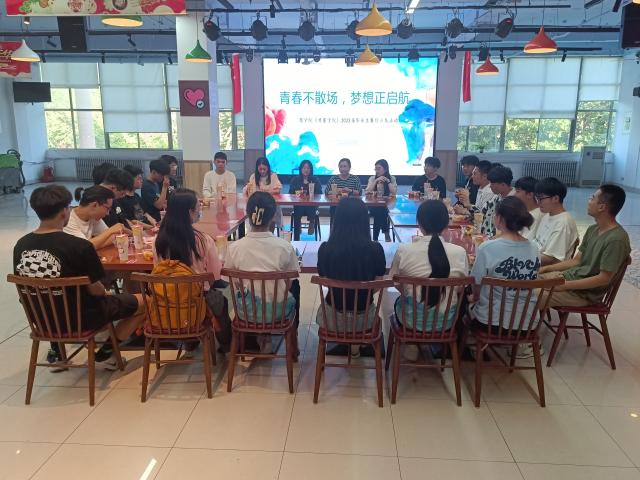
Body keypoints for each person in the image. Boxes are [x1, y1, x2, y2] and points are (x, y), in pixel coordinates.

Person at [14, 185, 144, 369]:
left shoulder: (21, 245)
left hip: (42, 319)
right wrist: (106, 292)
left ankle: (59, 350)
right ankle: (107, 353)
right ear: (64, 211)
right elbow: (96, 291)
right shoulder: (79, 246)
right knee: (147, 302)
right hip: (81, 318)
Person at [154, 189, 231, 351]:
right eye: (198, 207)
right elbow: (215, 275)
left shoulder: (158, 240)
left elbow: (157, 270)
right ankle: (226, 344)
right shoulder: (203, 240)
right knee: (221, 301)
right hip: (196, 301)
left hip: (166, 300)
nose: (200, 210)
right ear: (189, 212)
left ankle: (189, 340)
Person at [225, 192, 300, 353]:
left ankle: (258, 336)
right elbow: (290, 281)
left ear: (247, 215)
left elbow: (233, 281)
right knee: (295, 287)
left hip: (246, 312)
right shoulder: (284, 247)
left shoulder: (234, 248)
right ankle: (293, 345)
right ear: (273, 216)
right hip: (277, 312)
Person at [539, 184, 630, 308]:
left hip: (582, 293)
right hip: (568, 277)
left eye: (592, 198)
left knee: (524, 296)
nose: (589, 201)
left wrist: (564, 286)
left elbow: (604, 278)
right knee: (523, 283)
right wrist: (546, 269)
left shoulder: (616, 239)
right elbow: (576, 261)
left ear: (602, 207)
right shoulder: (593, 229)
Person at [317, 197, 386, 356]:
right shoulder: (376, 249)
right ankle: (357, 343)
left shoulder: (326, 249)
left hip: (332, 319)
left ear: (337, 220)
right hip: (365, 320)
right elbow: (377, 285)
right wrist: (361, 289)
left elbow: (326, 281)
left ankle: (347, 342)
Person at [390, 200, 468, 330]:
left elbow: (395, 282)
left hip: (410, 321)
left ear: (419, 224)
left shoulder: (404, 250)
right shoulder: (460, 252)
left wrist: (410, 291)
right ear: (446, 224)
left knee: (400, 302)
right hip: (445, 323)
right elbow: (460, 288)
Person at [469, 196, 540, 329]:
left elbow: (476, 283)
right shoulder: (534, 248)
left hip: (491, 322)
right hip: (527, 324)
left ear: (499, 218)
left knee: (462, 305)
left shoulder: (487, 247)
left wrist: (474, 297)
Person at [531, 177, 579, 266]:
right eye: (537, 198)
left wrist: (523, 258)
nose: (538, 202)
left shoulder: (563, 223)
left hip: (546, 268)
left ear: (556, 198)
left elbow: (550, 259)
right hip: (534, 259)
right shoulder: (546, 215)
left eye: (541, 199)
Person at [64, 186, 130, 250]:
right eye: (107, 208)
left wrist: (94, 245)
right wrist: (111, 231)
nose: (107, 213)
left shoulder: (93, 217)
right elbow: (84, 247)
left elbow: (112, 237)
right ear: (94, 205)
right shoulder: (68, 221)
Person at [476, 165, 516, 237]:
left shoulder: (514, 201)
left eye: (492, 183)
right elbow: (482, 212)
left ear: (503, 185)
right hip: (486, 236)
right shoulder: (497, 197)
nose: (490, 186)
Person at [289, 159, 322, 240]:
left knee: (310, 206)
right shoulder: (295, 179)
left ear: (311, 169)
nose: (306, 170)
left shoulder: (315, 179)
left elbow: (320, 193)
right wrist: (298, 194)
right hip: (299, 205)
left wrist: (312, 193)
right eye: (304, 168)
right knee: (298, 209)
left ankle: (312, 221)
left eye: (308, 168)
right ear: (300, 169)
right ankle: (297, 231)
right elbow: (290, 193)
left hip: (311, 206)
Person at [365, 159, 397, 242]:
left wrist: (388, 181)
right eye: (375, 169)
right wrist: (376, 181)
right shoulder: (372, 178)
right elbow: (367, 191)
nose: (376, 171)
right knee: (380, 211)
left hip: (387, 205)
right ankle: (386, 233)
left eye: (379, 168)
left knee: (380, 212)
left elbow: (394, 192)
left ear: (385, 169)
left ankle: (375, 239)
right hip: (373, 205)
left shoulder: (392, 178)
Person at [116, 165, 156, 229]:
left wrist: (155, 224)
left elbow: (145, 213)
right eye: (139, 178)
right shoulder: (121, 199)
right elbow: (131, 221)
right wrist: (151, 227)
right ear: (129, 179)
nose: (141, 181)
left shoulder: (136, 196)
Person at [325, 158, 362, 226]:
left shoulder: (355, 178)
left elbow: (359, 192)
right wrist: (337, 191)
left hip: (352, 205)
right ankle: (335, 231)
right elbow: (326, 191)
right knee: (334, 210)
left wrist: (349, 190)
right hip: (337, 205)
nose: (342, 169)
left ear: (349, 167)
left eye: (345, 166)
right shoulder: (334, 178)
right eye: (341, 166)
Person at [140, 158, 171, 222]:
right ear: (153, 172)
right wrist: (165, 187)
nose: (163, 177)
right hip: (151, 220)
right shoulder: (147, 186)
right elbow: (159, 205)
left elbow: (159, 200)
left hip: (157, 217)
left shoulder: (155, 183)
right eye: (161, 175)